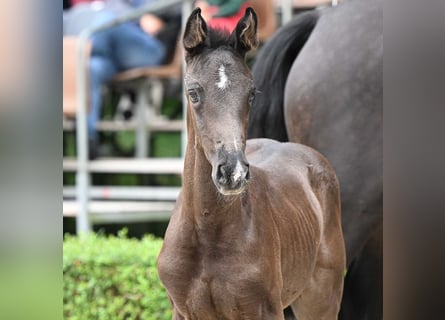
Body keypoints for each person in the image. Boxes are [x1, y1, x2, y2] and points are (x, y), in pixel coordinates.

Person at [63, 0, 181, 158]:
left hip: (143, 47)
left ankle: (78, 51)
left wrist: (145, 14)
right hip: (107, 54)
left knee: (106, 21)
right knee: (90, 69)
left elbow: (177, 6)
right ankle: (88, 141)